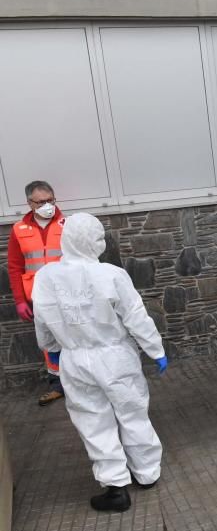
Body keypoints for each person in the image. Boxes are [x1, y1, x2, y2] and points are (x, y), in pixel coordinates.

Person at [31, 213, 168, 512]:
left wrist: (52, 350)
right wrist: (155, 349)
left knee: (93, 420)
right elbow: (136, 317)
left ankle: (116, 486)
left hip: (75, 358)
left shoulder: (46, 277)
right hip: (116, 356)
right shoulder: (112, 274)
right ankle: (147, 473)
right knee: (132, 412)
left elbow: (43, 320)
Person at [7, 180, 67, 405]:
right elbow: (14, 267)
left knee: (75, 337)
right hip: (39, 298)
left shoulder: (67, 224)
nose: (47, 205)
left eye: (50, 200)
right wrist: (20, 300)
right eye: (41, 202)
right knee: (49, 341)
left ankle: (82, 381)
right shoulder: (18, 230)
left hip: (67, 294)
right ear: (30, 203)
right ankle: (57, 385)